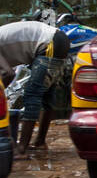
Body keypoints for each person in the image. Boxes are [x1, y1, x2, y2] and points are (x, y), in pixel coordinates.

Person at [0, 21, 70, 159]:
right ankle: (39, 142)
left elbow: (8, 73)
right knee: (45, 96)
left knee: (32, 94)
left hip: (49, 42)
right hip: (56, 40)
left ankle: (20, 150)